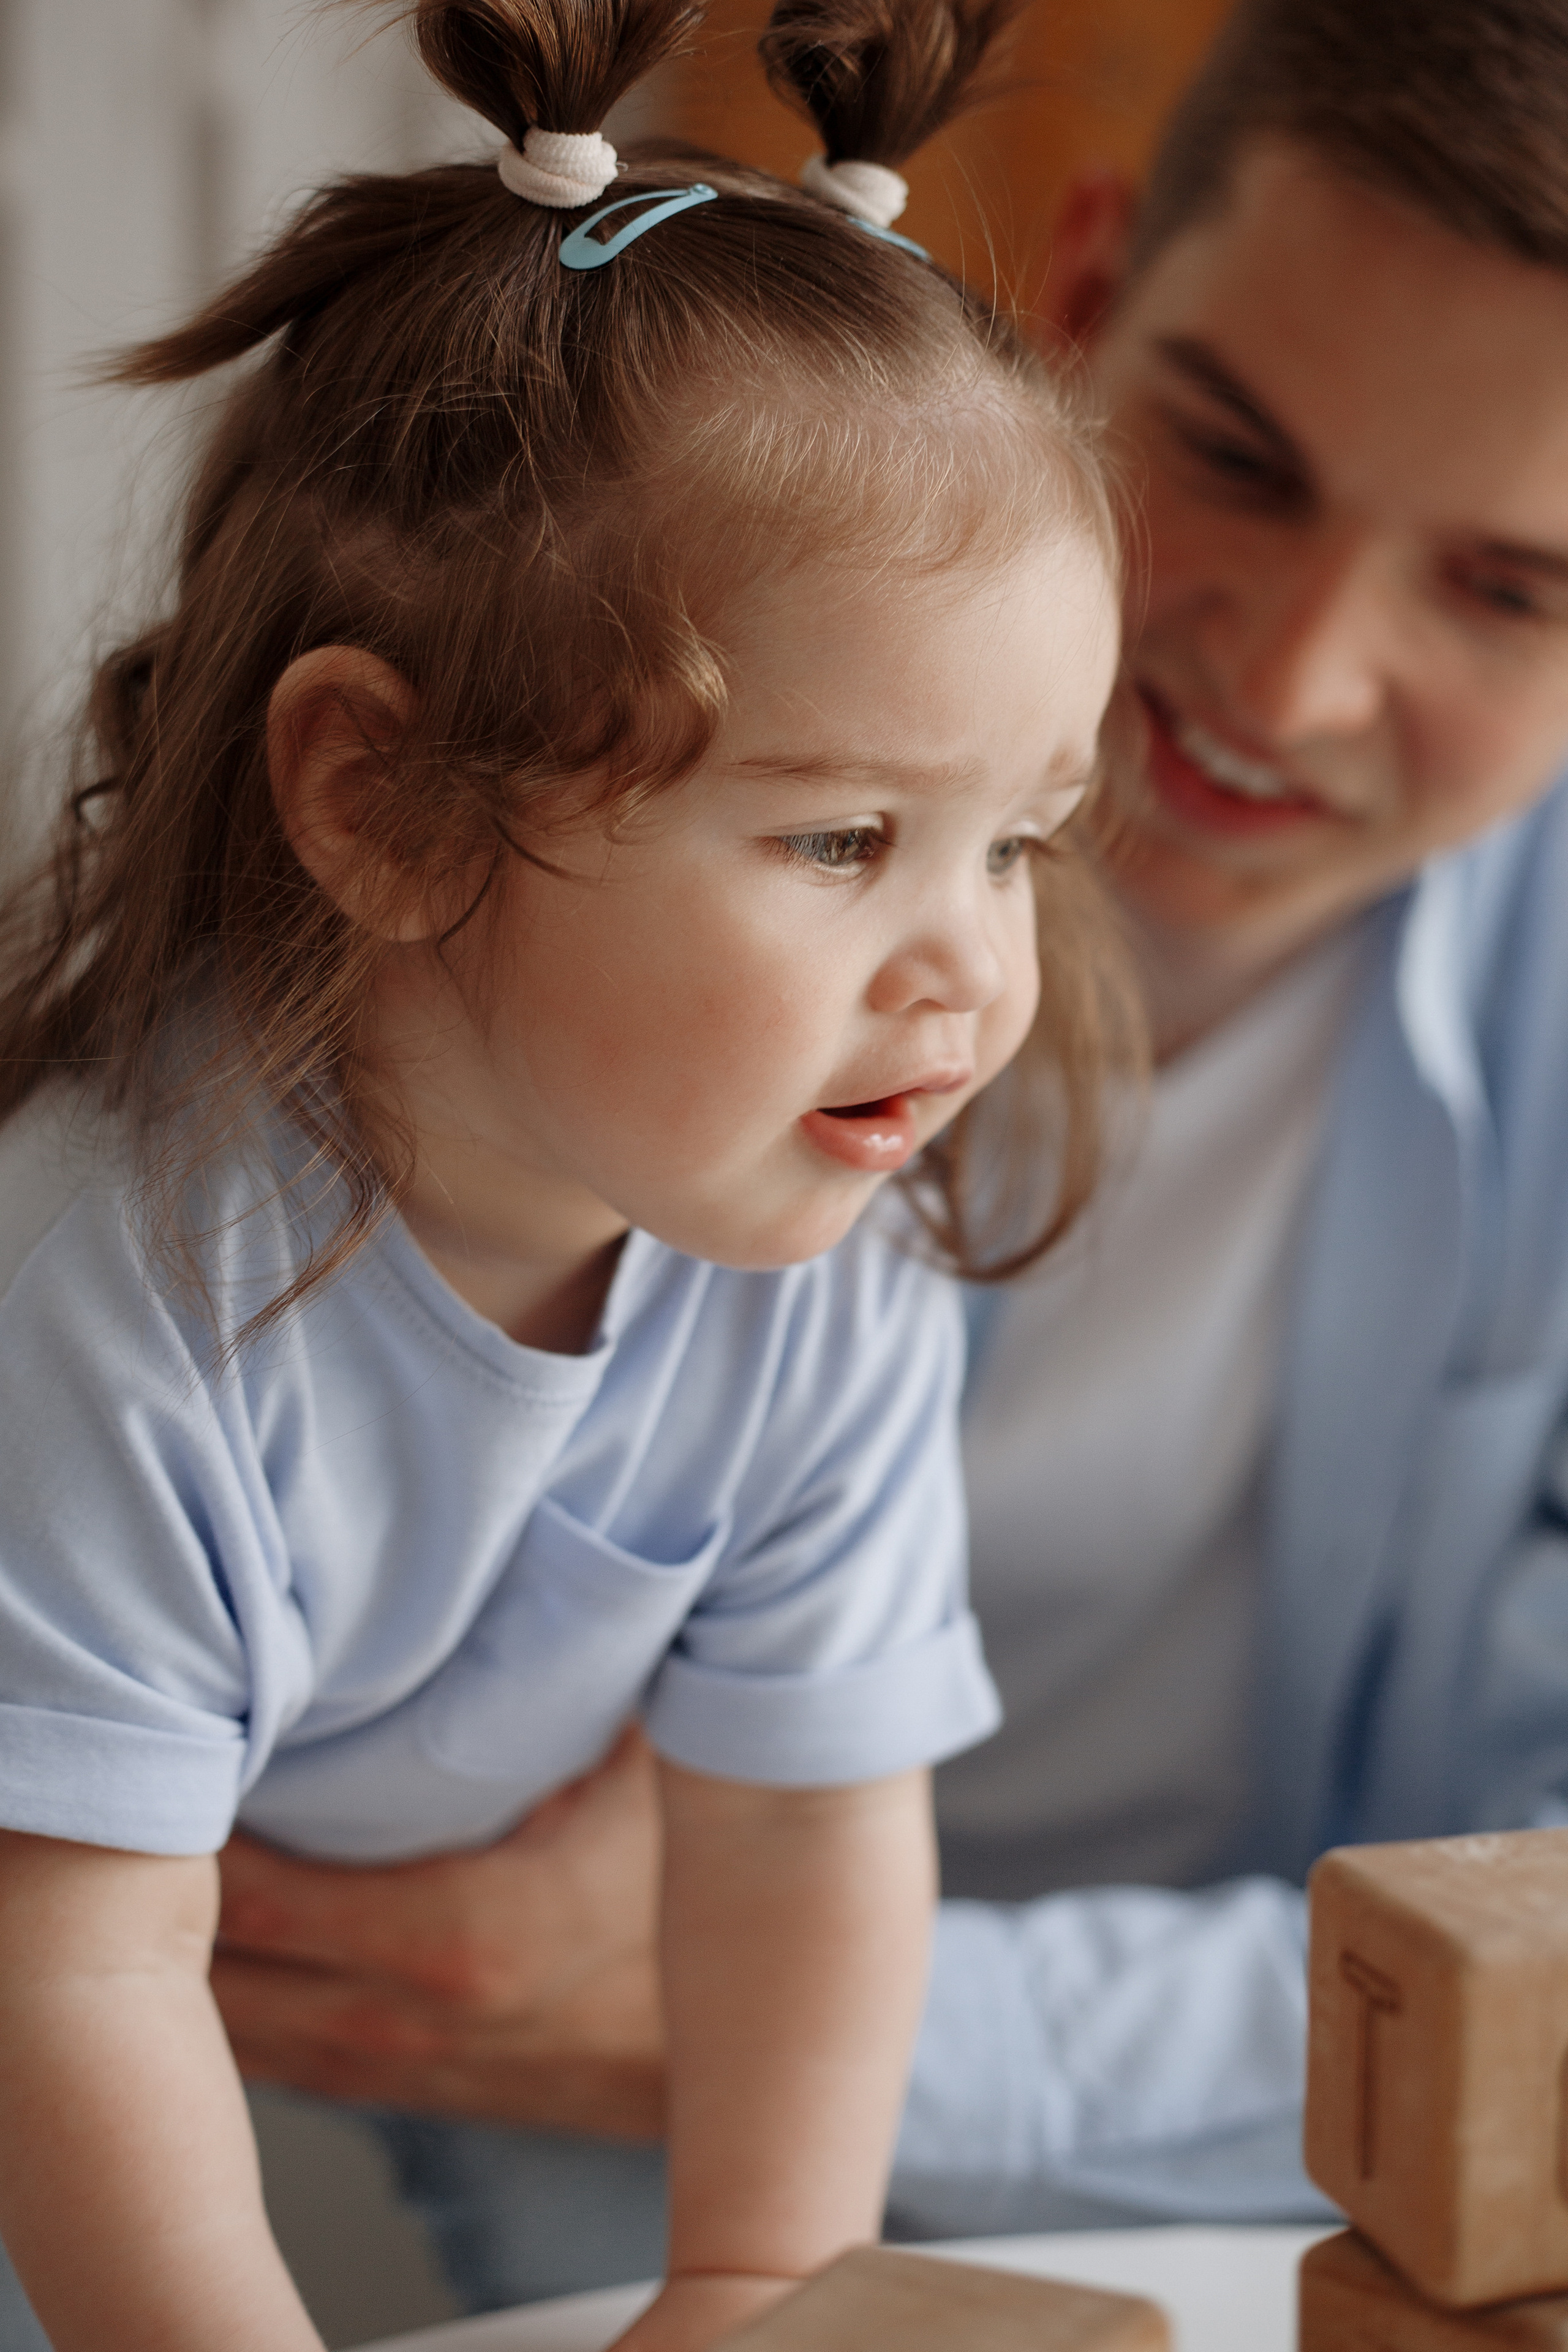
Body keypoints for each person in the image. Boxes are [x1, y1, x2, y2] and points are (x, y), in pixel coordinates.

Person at [191, 0, 1568, 2311]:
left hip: (1190, 2194)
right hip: (377, 2102)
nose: (1299, 674)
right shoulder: (473, 905)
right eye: (1233, 456)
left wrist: (767, 2018)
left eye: (1512, 591)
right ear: (1100, 284)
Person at [0, 0, 1128, 2345]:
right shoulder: (114, 1297)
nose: (968, 975)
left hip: (408, 1952)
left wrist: (758, 2274)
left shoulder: (820, 1253)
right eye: (843, 835)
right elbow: (75, 1962)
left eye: (1015, 844)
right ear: (390, 805)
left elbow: (807, 1819)